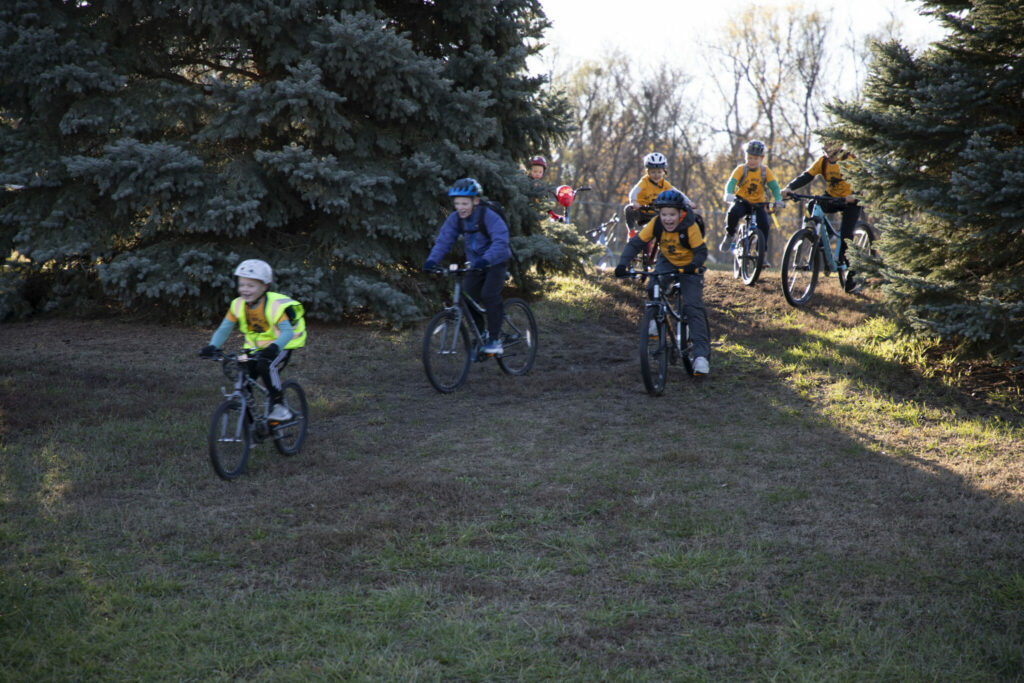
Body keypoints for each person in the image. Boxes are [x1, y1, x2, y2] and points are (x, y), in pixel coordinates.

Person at [614, 189, 710, 376]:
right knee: (653, 286)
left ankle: (701, 357)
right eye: (664, 214)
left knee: (692, 308)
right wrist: (622, 264)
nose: (667, 219)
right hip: (667, 260)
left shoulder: (690, 225)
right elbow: (636, 243)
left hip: (690, 266)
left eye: (672, 214)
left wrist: (694, 266)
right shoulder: (656, 224)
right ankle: (655, 317)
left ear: (681, 213)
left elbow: (701, 251)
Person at [199, 259, 307, 420]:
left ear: (265, 287)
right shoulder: (237, 305)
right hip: (252, 349)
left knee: (265, 366)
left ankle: (280, 406)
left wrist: (274, 348)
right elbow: (224, 329)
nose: (245, 290)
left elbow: (287, 333)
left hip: (279, 346)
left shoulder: (274, 306)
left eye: (251, 285)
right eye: (242, 285)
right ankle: (252, 427)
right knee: (243, 372)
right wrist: (213, 346)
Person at [423, 178, 512, 355]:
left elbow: (501, 241)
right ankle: (482, 334)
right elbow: (443, 241)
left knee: (489, 294)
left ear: (475, 201)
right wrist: (432, 261)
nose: (461, 207)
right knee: (467, 297)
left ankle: (495, 340)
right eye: (457, 203)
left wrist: (486, 260)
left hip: (496, 261)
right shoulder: (456, 219)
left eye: (465, 203)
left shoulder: (488, 216)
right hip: (475, 264)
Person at [781, 141, 862, 292]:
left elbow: (862, 179)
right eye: (826, 144)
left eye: (831, 144)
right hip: (832, 198)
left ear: (839, 146)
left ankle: (853, 277)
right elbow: (806, 176)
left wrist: (855, 196)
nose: (828, 148)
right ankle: (821, 236)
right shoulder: (822, 161)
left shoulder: (849, 159)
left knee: (846, 237)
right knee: (812, 205)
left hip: (851, 201)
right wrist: (789, 188)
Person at [719, 140, 783, 256]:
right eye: (749, 158)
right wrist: (728, 193)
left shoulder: (765, 171)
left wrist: (778, 199)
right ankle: (730, 235)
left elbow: (774, 186)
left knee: (764, 224)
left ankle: (761, 253)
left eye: (755, 159)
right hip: (742, 201)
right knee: (733, 212)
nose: (751, 161)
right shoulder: (741, 169)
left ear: (762, 158)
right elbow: (731, 182)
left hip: (759, 203)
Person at [623, 152, 676, 231]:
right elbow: (633, 192)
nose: (656, 175)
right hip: (642, 212)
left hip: (656, 214)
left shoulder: (665, 184)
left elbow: (678, 194)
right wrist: (634, 202)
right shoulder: (644, 181)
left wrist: (688, 203)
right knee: (629, 209)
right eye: (653, 172)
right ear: (647, 172)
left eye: (659, 172)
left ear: (664, 172)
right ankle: (631, 232)